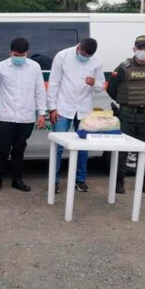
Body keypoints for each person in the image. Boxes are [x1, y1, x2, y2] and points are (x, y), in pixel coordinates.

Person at [106, 35, 145, 195]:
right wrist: (124, 101)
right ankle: (119, 182)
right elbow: (111, 88)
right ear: (134, 49)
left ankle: (144, 181)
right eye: (140, 48)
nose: (143, 51)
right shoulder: (123, 67)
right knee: (122, 150)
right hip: (127, 115)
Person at [47, 38, 105, 194]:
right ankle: (54, 182)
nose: (85, 57)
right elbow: (53, 83)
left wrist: (94, 84)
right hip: (63, 107)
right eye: (84, 54)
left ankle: (80, 180)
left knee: (84, 147)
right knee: (58, 146)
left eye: (88, 56)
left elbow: (101, 86)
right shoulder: (62, 56)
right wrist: (52, 108)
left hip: (84, 110)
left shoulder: (96, 61)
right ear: (79, 47)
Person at [0, 37, 47, 192]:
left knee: (19, 150)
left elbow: (40, 91)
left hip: (26, 117)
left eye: (22, 55)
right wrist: (4, 104)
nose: (19, 58)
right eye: (16, 55)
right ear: (10, 52)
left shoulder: (34, 67)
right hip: (6, 117)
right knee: (2, 149)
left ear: (28, 53)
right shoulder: (1, 67)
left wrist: (42, 113)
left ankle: (17, 180)